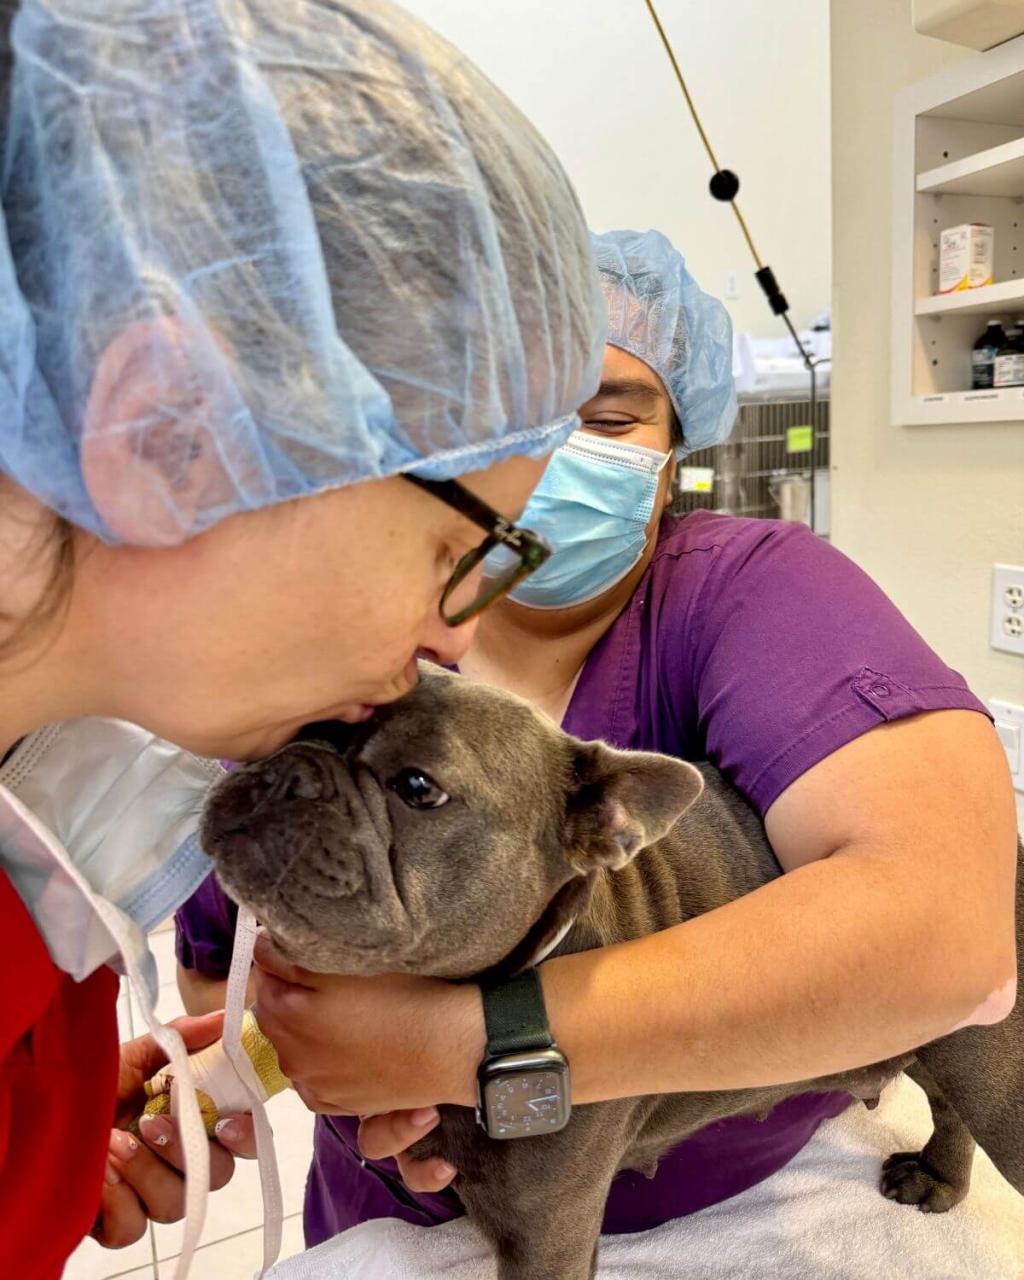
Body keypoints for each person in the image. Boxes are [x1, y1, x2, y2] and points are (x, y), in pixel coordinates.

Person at [175, 229, 1018, 1248]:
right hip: (384, 1215)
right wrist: (266, 1061)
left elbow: (950, 939)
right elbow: (219, 959)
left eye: (609, 415)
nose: (551, 456)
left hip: (740, 1206)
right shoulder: (340, 612)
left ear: (671, 457)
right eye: (515, 414)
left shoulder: (753, 590)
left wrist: (455, 1043)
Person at [0, 2, 607, 1274]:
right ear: (176, 429)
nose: (452, 639)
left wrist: (39, 1138)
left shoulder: (55, 805)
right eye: (457, 549)